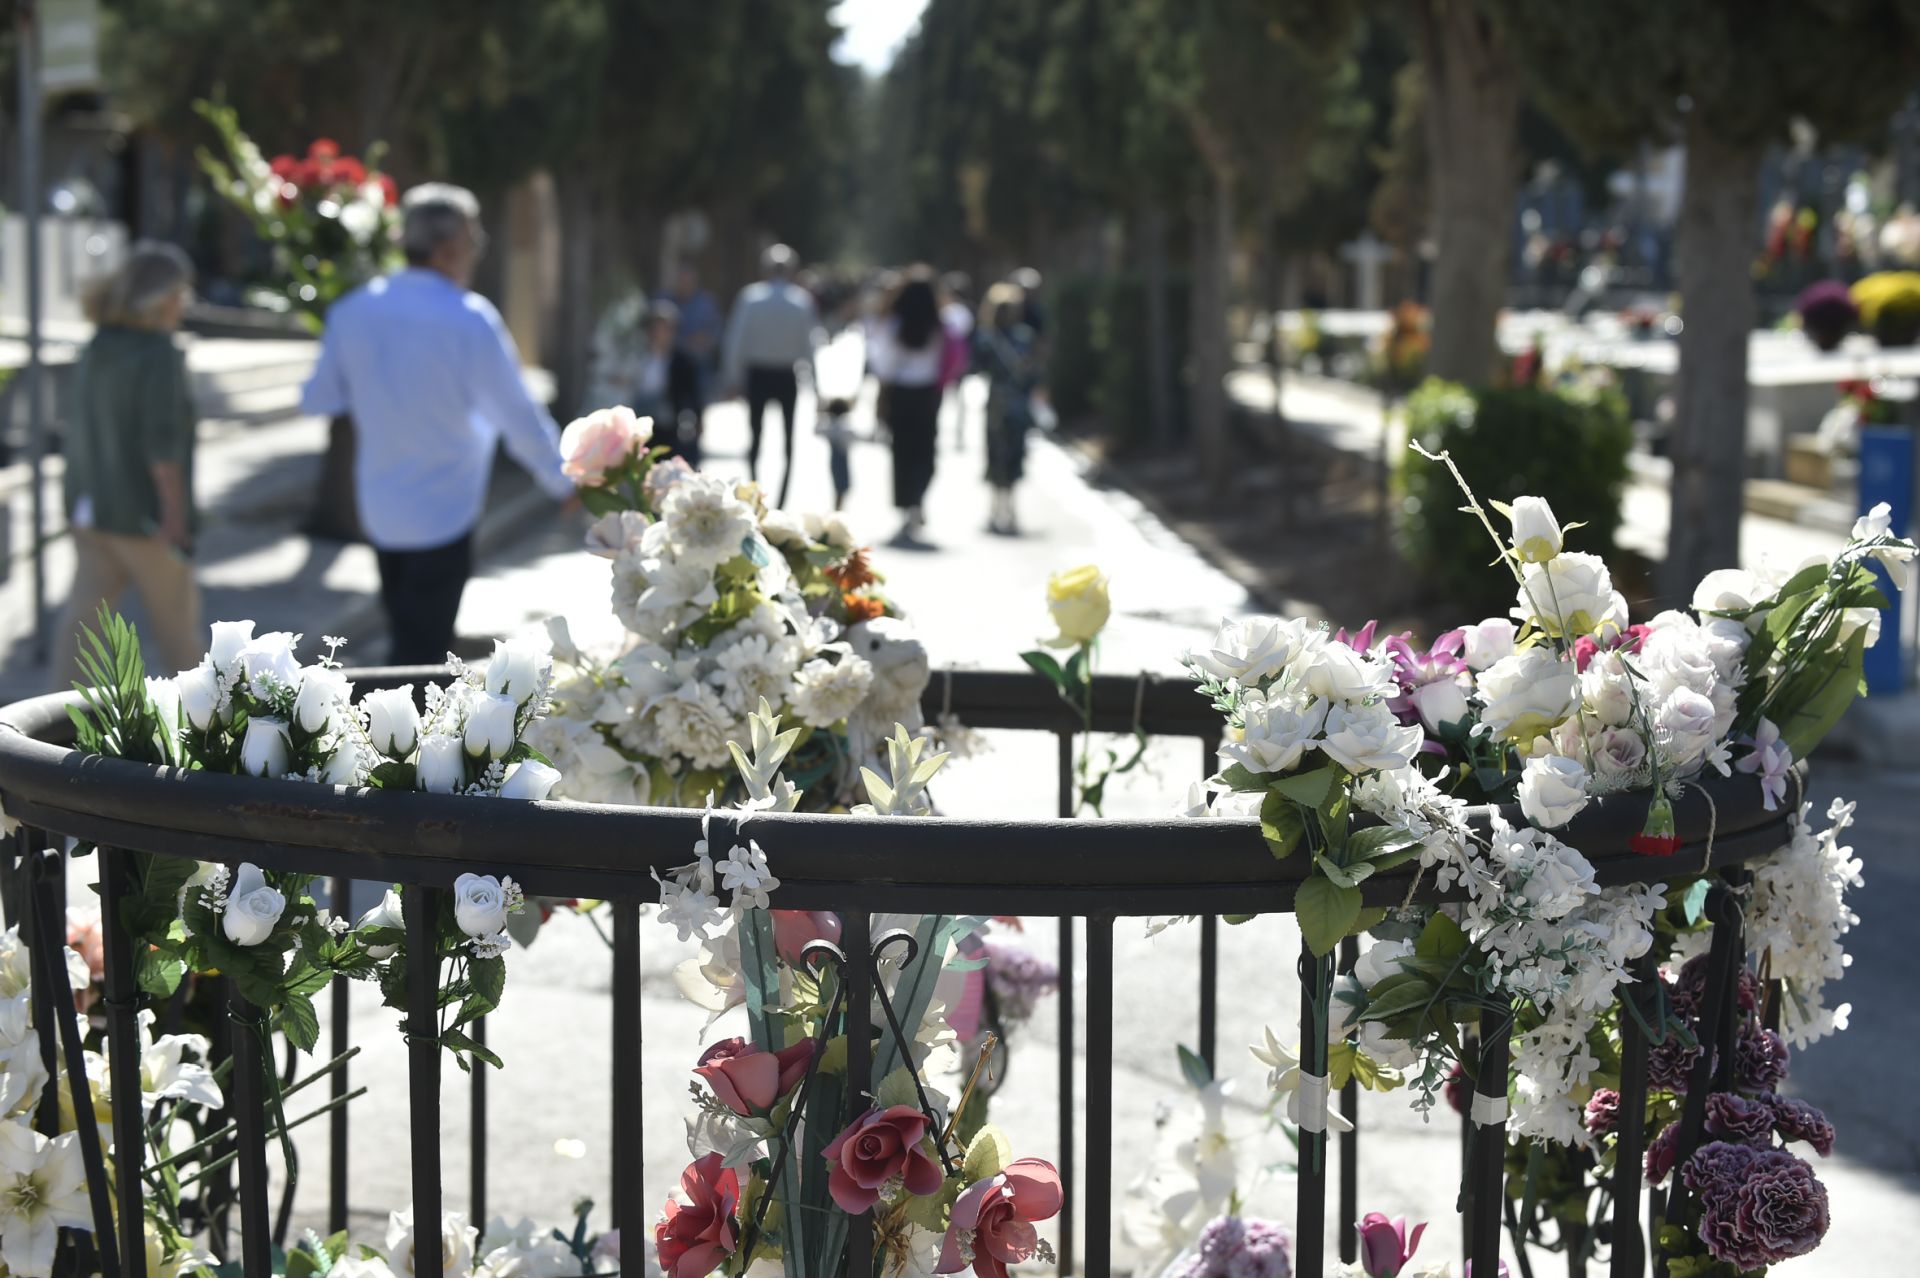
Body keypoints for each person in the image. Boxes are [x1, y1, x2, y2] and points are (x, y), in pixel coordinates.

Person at [300, 183, 573, 666]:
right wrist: (562, 480)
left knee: (405, 630)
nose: (474, 255)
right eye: (473, 243)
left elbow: (318, 398)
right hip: (444, 508)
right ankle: (405, 736)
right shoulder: (469, 319)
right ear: (449, 249)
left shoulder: (352, 311)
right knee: (422, 651)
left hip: (381, 505)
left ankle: (392, 729)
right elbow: (515, 413)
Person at [53, 242, 203, 686]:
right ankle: (210, 734)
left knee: (82, 631)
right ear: (162, 296)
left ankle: (38, 735)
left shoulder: (99, 344)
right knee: (180, 636)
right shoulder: (158, 353)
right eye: (181, 292)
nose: (185, 303)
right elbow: (163, 446)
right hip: (144, 518)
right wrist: (175, 516)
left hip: (91, 506)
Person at [721, 243, 822, 506]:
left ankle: (756, 493)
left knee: (756, 435)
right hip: (785, 376)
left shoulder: (751, 298)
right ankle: (780, 499)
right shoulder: (800, 301)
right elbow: (809, 346)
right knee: (788, 439)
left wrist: (732, 377)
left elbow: (736, 341)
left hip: (759, 376)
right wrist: (817, 385)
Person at [867, 266, 944, 544]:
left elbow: (883, 362)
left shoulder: (895, 324)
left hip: (900, 393)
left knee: (901, 451)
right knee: (926, 449)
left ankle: (906, 504)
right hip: (928, 394)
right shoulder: (940, 325)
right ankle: (917, 500)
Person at [978, 282, 1043, 535]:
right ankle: (1006, 507)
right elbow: (1034, 372)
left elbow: (978, 366)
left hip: (998, 404)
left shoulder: (989, 338)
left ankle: (998, 507)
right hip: (1015, 404)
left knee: (999, 454)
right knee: (1010, 454)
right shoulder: (1022, 336)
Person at [630, 299, 704, 464]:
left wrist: (698, 419)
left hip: (668, 421)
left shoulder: (683, 360)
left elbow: (693, 392)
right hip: (641, 418)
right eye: (656, 328)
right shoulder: (638, 356)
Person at [667, 263, 721, 430]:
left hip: (698, 362)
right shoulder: (667, 301)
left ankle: (698, 425)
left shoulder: (705, 304)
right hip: (674, 362)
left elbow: (717, 332)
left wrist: (703, 340)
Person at [938, 271, 975, 452]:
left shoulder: (946, 311)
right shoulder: (968, 311)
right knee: (958, 399)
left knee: (946, 398)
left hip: (946, 361)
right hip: (960, 360)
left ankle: (947, 432)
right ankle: (958, 434)